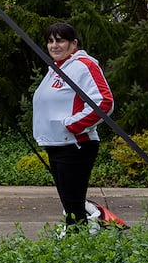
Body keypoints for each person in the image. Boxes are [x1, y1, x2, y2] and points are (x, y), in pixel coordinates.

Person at [33, 21, 114, 232]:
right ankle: (80, 239)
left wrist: (72, 126)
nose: (54, 45)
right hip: (57, 145)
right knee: (70, 205)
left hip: (76, 145)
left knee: (73, 205)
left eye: (60, 40)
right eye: (50, 41)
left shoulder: (83, 65)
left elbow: (104, 102)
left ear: (73, 43)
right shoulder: (56, 69)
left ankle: (81, 241)